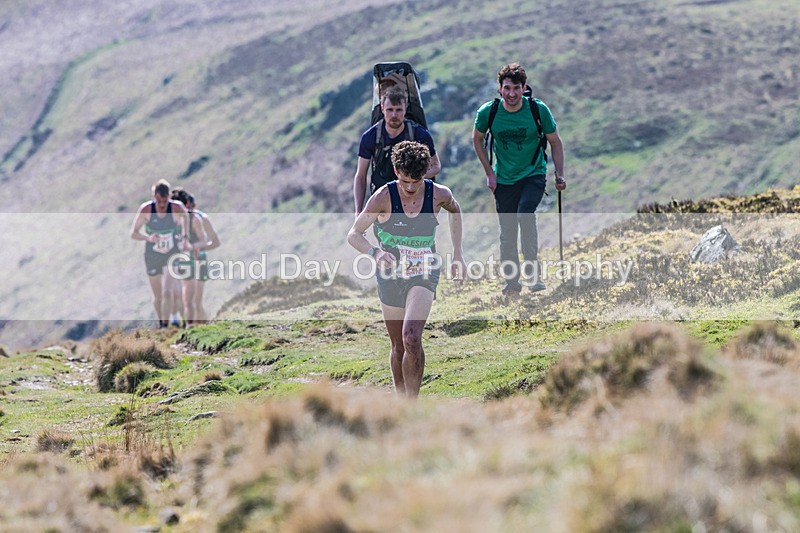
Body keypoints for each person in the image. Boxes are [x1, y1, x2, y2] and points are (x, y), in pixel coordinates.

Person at [348, 141, 465, 398]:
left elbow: (455, 211)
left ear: (426, 174)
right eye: (405, 181)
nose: (411, 188)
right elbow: (354, 234)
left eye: (417, 181)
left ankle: (412, 404)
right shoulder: (382, 197)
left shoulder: (439, 194)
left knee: (411, 336)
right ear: (395, 171)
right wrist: (375, 252)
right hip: (390, 274)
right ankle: (400, 402)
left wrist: (458, 254)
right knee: (398, 345)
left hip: (424, 270)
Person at [472, 62, 566, 295]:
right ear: (500, 89)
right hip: (503, 178)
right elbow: (477, 140)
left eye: (516, 88)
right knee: (508, 231)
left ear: (524, 88)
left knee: (525, 214)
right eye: (507, 88)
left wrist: (559, 174)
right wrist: (489, 173)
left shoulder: (538, 110)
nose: (512, 93)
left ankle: (533, 274)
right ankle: (512, 283)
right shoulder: (488, 112)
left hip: (533, 173)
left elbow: (555, 142)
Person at [353, 87, 442, 216]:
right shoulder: (370, 137)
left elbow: (436, 166)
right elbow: (361, 175)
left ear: (405, 109)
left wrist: (414, 178)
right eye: (390, 110)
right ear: (382, 108)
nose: (394, 115)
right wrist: (358, 212)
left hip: (415, 199)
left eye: (398, 110)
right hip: (383, 199)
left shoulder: (420, 135)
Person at [129, 179, 190, 328]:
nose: (162, 205)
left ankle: (178, 322)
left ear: (169, 196)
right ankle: (162, 323)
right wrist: (148, 237)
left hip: (172, 252)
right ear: (154, 196)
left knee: (168, 290)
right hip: (153, 254)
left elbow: (186, 217)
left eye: (165, 201)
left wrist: (185, 236)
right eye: (159, 201)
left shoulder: (176, 207)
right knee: (158, 296)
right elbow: (133, 233)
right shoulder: (146, 210)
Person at [170, 189, 208, 327]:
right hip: (178, 262)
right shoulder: (170, 220)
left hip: (196, 261)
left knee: (192, 301)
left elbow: (204, 241)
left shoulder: (194, 220)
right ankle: (185, 325)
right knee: (180, 298)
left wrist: (190, 246)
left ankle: (193, 328)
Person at [182, 190, 221, 323]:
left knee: (196, 301)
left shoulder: (202, 219)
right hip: (184, 262)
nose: (189, 209)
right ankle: (193, 328)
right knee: (187, 300)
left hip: (199, 260)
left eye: (191, 207)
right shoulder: (178, 218)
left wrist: (198, 248)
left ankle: (204, 327)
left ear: (193, 205)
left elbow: (215, 242)